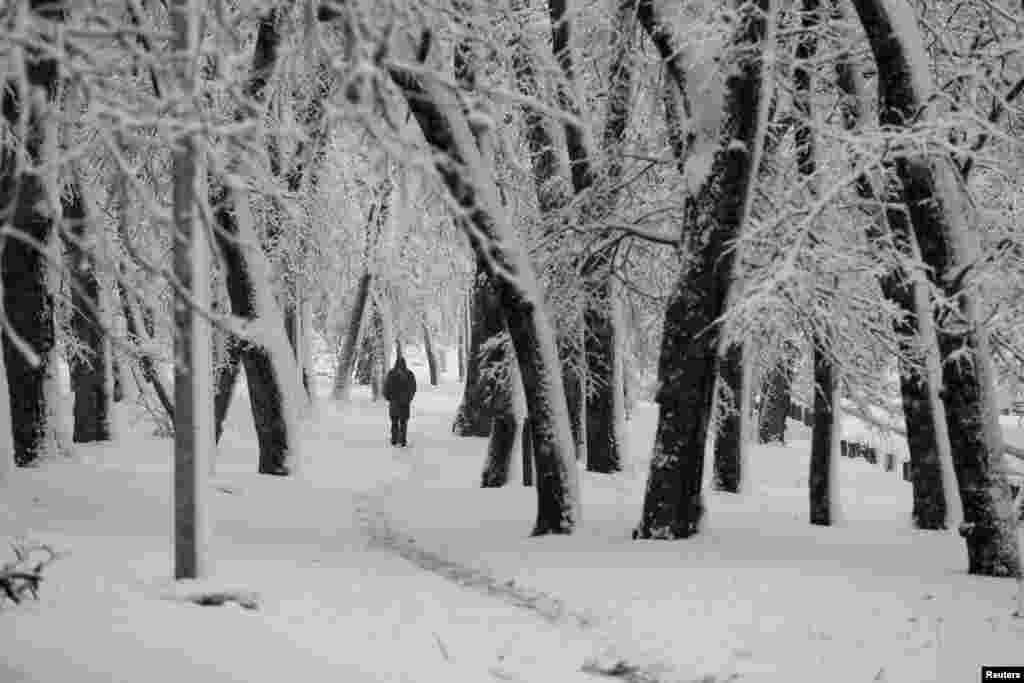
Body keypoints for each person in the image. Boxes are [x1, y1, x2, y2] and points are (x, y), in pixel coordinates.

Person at [383, 355, 417, 446]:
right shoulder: (409, 374)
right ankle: (403, 440)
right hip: (405, 403)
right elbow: (413, 388)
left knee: (394, 422)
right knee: (403, 422)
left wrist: (388, 397)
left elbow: (386, 387)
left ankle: (394, 439)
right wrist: (409, 398)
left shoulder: (391, 373)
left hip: (394, 402)